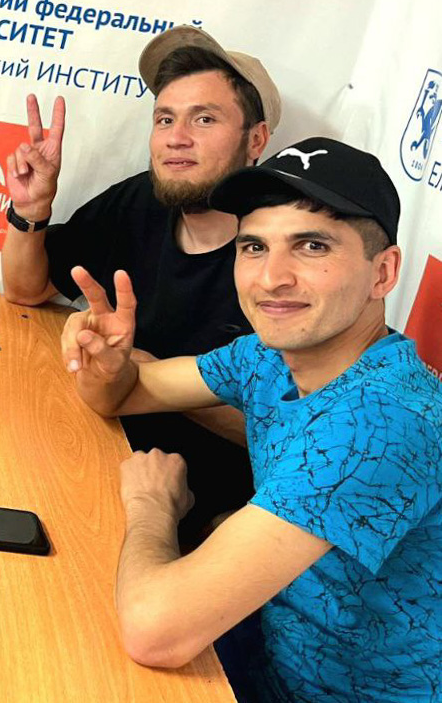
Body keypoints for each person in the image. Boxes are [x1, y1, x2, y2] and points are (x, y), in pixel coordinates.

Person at [62, 137, 440, 702]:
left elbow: (155, 630)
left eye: (312, 246)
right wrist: (106, 363)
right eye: (254, 247)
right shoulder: (268, 354)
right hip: (263, 648)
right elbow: (129, 392)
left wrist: (153, 506)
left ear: (383, 273)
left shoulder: (381, 421)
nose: (270, 278)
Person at [1, 25, 282, 542]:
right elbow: (26, 289)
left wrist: (138, 371)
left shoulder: (281, 259)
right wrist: (31, 209)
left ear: (256, 140)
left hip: (197, 510)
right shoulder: (141, 200)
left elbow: (286, 431)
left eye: (204, 118)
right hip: (95, 442)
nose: (176, 137)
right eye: (165, 119)